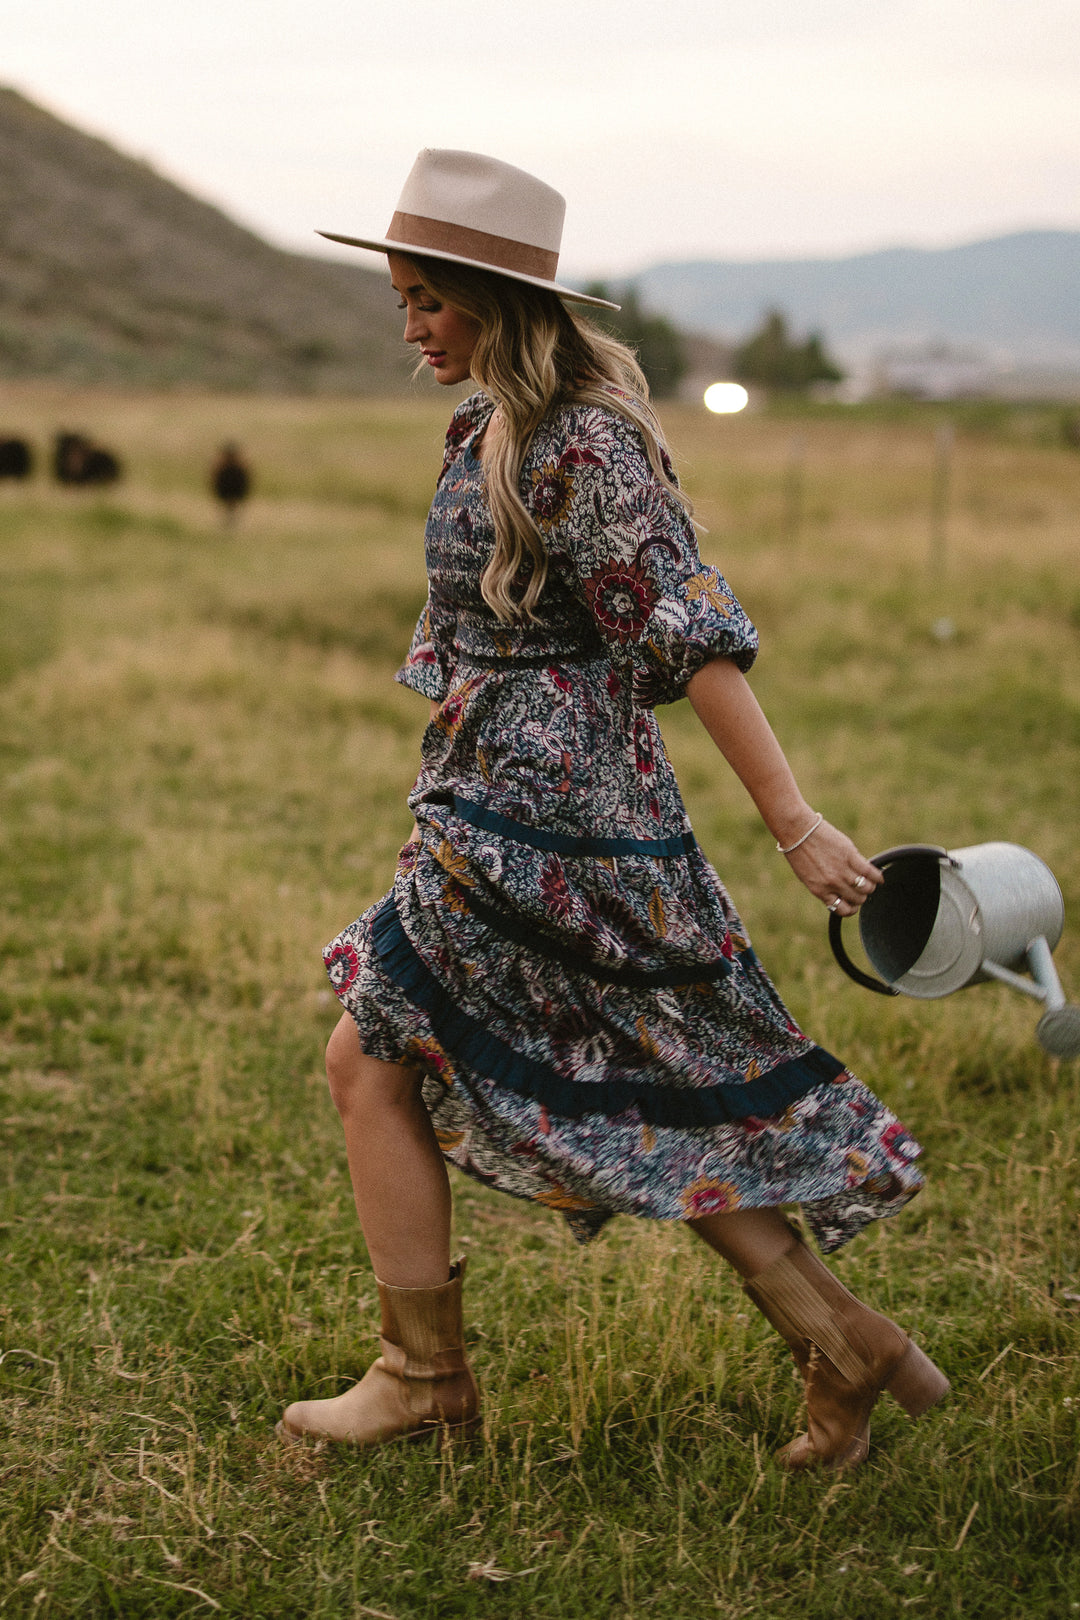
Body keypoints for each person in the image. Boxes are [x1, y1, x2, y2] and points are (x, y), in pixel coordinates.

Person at [279, 150, 949, 1469]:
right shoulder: (495, 426)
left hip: (549, 829)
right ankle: (844, 1339)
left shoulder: (585, 438)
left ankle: (422, 1376)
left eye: (428, 299)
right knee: (642, 1089)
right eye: (402, 296)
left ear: (493, 297)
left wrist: (793, 819)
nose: (409, 323)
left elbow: (687, 638)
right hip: (511, 807)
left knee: (369, 1058)